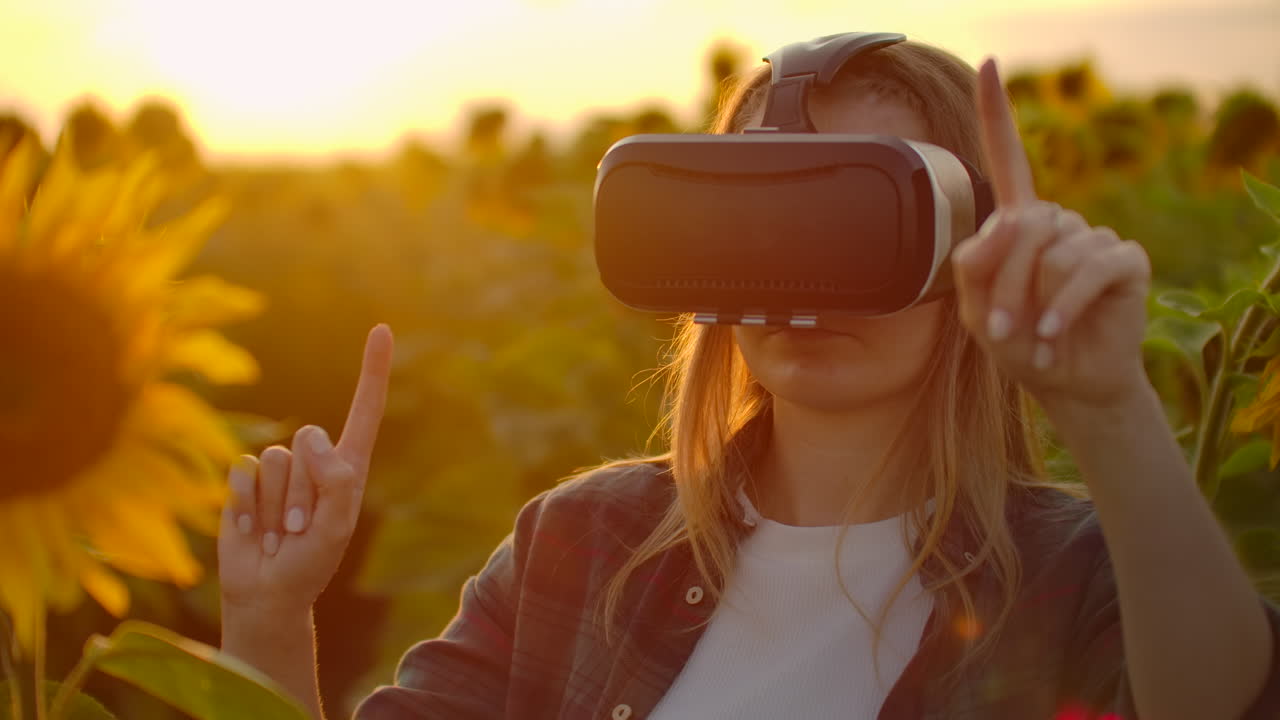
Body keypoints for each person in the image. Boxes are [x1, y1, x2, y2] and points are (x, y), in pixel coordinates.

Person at [217, 38, 1280, 719]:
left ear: (976, 247)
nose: (799, 280)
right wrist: (268, 618)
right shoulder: (579, 547)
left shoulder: (1081, 575)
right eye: (760, 221)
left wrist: (1109, 409)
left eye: (857, 220)